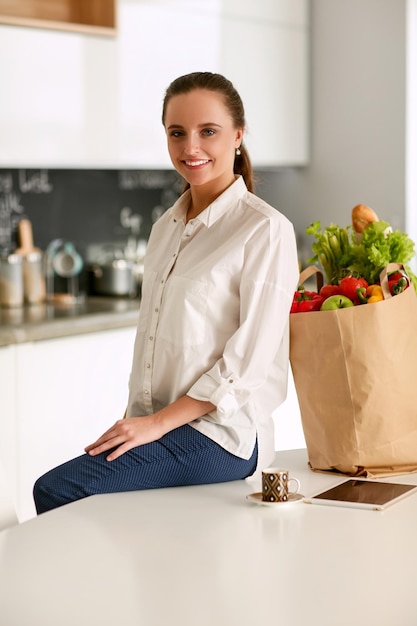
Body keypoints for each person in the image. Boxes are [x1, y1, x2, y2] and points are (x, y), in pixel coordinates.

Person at [33, 71, 299, 514]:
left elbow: (244, 368)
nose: (190, 147)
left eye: (207, 131)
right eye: (177, 133)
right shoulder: (165, 229)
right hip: (160, 426)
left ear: (238, 134)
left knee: (58, 490)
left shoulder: (265, 230)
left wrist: (154, 426)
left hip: (220, 435)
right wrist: (143, 426)